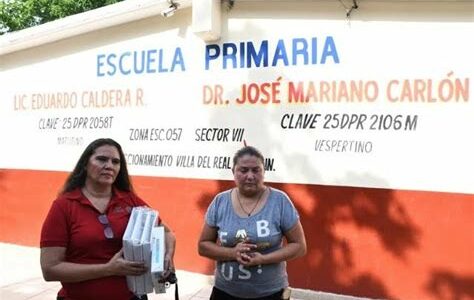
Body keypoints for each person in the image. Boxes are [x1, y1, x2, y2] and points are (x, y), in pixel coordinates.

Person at [40, 138, 176, 300]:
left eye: (115, 162)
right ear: (85, 164)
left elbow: (166, 232)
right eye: (102, 159)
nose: (109, 166)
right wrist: (108, 269)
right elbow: (50, 269)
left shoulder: (129, 200)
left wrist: (167, 256)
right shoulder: (64, 206)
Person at [198, 146, 307, 300]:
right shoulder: (220, 202)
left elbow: (299, 246)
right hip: (225, 293)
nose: (250, 176)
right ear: (233, 172)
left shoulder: (279, 201)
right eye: (243, 170)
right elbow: (203, 246)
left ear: (264, 172)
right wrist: (232, 253)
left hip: (270, 294)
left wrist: (263, 259)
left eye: (256, 170)